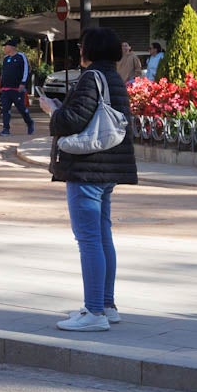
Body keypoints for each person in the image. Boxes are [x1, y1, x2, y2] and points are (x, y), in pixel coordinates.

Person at [39, 26, 138, 332]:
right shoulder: (114, 79)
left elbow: (73, 119)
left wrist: (52, 111)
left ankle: (94, 311)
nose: (78, 51)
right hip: (108, 169)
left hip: (87, 168)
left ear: (89, 50)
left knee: (89, 239)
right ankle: (106, 305)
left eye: (81, 46)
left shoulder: (90, 78)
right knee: (102, 235)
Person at [0, 36, 35, 137]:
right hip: (6, 89)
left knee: (21, 108)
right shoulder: (5, 59)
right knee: (5, 109)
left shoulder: (21, 56)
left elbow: (26, 71)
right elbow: (4, 73)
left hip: (17, 88)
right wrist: (1, 85)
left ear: (11, 47)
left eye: (5, 46)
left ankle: (30, 122)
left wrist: (23, 83)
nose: (4, 49)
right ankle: (6, 129)